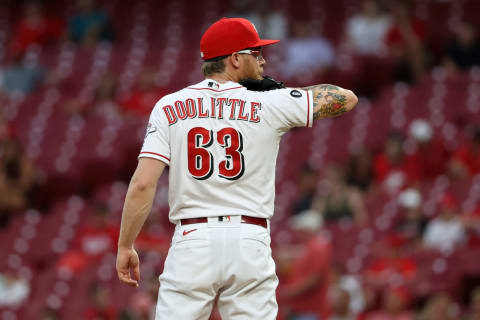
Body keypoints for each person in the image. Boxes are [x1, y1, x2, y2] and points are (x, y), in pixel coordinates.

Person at [116, 17, 358, 319]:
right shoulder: (270, 102)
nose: (263, 59)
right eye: (254, 53)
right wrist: (283, 91)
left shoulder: (169, 105)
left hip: (193, 239)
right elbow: (346, 98)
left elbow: (142, 184)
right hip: (249, 239)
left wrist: (126, 244)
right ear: (234, 59)